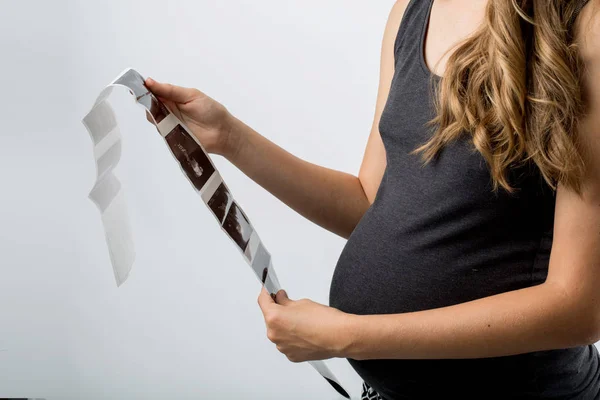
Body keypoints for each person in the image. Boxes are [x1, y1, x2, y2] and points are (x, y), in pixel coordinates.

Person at [145, 0, 600, 398]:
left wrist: (350, 336)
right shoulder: (411, 13)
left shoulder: (583, 26)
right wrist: (229, 137)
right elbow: (370, 201)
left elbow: (579, 307)